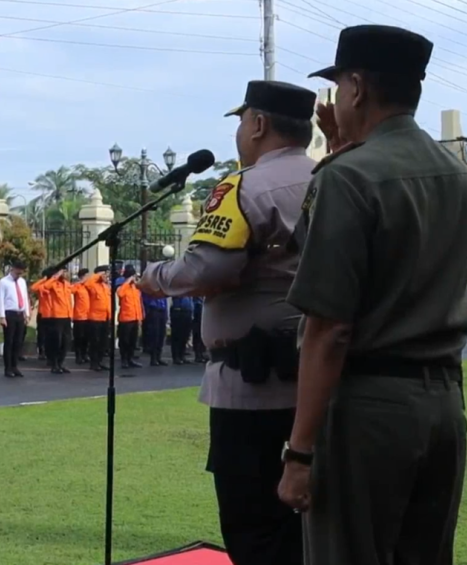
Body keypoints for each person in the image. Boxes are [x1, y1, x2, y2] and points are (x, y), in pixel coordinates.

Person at [277, 25, 467, 565]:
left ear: (357, 88)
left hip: (368, 410)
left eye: (339, 87)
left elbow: (329, 327)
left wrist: (299, 453)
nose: (336, 100)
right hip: (442, 405)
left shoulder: (348, 177)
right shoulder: (457, 174)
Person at [138, 78, 317, 565]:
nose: (239, 131)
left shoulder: (246, 186)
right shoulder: (333, 177)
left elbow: (208, 269)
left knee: (255, 527)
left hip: (251, 385)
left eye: (241, 121)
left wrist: (153, 277)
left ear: (258, 123)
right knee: (311, 528)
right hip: (323, 379)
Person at [31, 266, 73, 374]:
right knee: (55, 342)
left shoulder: (66, 284)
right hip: (55, 317)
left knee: (65, 342)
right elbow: (36, 288)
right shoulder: (51, 284)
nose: (65, 273)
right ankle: (54, 364)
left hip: (66, 316)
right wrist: (52, 277)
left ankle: (60, 363)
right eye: (63, 271)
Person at [0, 262, 29, 378]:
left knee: (18, 342)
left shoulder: (22, 282)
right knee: (9, 341)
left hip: (20, 313)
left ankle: (15, 366)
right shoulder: (4, 282)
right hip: (9, 314)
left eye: (22, 271)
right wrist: (2, 316)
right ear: (13, 269)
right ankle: (8, 367)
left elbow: (25, 297)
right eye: (18, 270)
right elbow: (0, 300)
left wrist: (26, 313)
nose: (20, 273)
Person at [116, 266, 144, 370]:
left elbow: (139, 303)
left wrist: (140, 318)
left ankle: (130, 359)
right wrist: (128, 281)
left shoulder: (135, 288)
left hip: (135, 317)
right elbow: (120, 293)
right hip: (126, 318)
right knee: (125, 341)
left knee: (133, 340)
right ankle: (124, 359)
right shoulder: (122, 286)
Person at [85, 266, 112, 372]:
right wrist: (98, 275)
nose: (107, 276)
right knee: (94, 342)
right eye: (105, 274)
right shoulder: (93, 285)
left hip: (105, 318)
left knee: (103, 342)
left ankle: (100, 361)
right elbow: (87, 284)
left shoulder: (106, 287)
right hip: (95, 318)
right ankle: (94, 362)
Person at [70, 269, 91, 366]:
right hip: (79, 316)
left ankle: (85, 354)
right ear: (82, 276)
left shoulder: (88, 287)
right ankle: (78, 356)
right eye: (86, 276)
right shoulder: (78, 286)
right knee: (79, 337)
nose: (88, 278)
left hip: (89, 316)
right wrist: (80, 282)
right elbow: (71, 290)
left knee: (86, 337)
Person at [169, 296, 194, 365]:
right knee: (177, 335)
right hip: (178, 310)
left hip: (188, 310)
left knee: (185, 334)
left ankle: (182, 355)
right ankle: (176, 356)